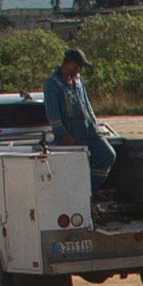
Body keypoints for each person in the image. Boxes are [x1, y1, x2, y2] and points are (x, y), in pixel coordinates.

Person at [42, 45, 118, 197]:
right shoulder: (53, 83)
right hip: (71, 131)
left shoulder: (78, 80)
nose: (79, 70)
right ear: (69, 63)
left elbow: (87, 103)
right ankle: (80, 194)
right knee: (78, 165)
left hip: (88, 127)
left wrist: (95, 124)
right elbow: (53, 113)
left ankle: (87, 188)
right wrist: (63, 134)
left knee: (107, 155)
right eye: (78, 66)